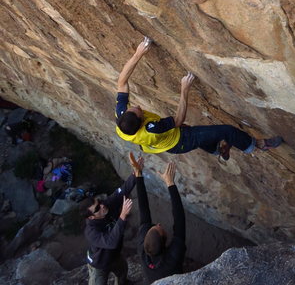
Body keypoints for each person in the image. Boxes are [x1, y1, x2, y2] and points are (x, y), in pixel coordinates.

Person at [115, 37, 283, 161]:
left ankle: (218, 150)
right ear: (142, 121)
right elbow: (179, 120)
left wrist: (138, 54)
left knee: (203, 135)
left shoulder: (122, 119)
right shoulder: (151, 129)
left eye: (132, 107)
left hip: (167, 142)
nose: (136, 105)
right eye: (138, 110)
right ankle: (256, 145)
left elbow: (122, 82)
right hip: (180, 141)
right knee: (226, 131)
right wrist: (184, 90)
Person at [129, 152, 186, 283]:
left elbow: (144, 211)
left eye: (154, 227)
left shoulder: (143, 249)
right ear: (165, 240)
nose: (158, 224)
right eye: (159, 228)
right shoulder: (173, 258)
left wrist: (138, 174)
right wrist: (170, 183)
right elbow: (180, 219)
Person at [82, 171, 136, 285]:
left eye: (99, 202)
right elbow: (111, 242)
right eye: (97, 208)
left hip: (114, 256)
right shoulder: (91, 232)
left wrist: (135, 173)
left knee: (122, 271)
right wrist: (122, 216)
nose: (102, 206)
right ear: (91, 217)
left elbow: (122, 191)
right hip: (99, 264)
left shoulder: (106, 206)